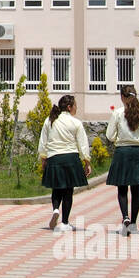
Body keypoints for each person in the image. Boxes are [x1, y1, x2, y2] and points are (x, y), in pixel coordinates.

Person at [106, 85, 139, 236]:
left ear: (122, 97)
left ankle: (125, 217)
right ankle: (134, 223)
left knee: (122, 188)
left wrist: (119, 139)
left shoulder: (117, 113)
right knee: (136, 190)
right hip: (138, 153)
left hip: (122, 152)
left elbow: (110, 135)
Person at [38, 94, 92, 231]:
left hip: (54, 158)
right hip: (71, 159)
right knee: (68, 191)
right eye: (75, 106)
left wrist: (43, 158)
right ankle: (65, 223)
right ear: (69, 107)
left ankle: (56, 209)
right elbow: (83, 143)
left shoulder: (49, 121)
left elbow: (43, 142)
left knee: (56, 188)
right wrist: (87, 161)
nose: (76, 109)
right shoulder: (75, 123)